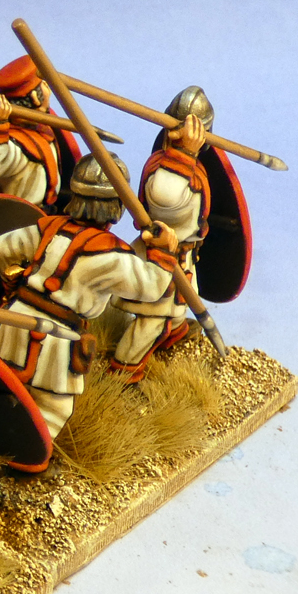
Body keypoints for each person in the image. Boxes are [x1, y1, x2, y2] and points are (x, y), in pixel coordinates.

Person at [0, 154, 178, 450]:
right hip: (58, 337)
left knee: (4, 384)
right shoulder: (111, 255)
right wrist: (164, 253)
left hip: (15, 318)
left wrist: (11, 284)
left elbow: (3, 247)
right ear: (116, 206)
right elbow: (152, 287)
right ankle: (28, 461)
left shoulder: (48, 228)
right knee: (54, 407)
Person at [110, 89, 216, 381]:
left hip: (181, 255)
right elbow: (165, 195)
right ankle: (123, 373)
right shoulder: (167, 169)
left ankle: (174, 330)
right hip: (160, 255)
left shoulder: (184, 165)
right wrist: (185, 153)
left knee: (174, 309)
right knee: (152, 319)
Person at [0, 55, 65, 210]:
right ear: (35, 98)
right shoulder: (15, 144)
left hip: (47, 211)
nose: (49, 89)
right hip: (21, 218)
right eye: (44, 85)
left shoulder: (44, 127)